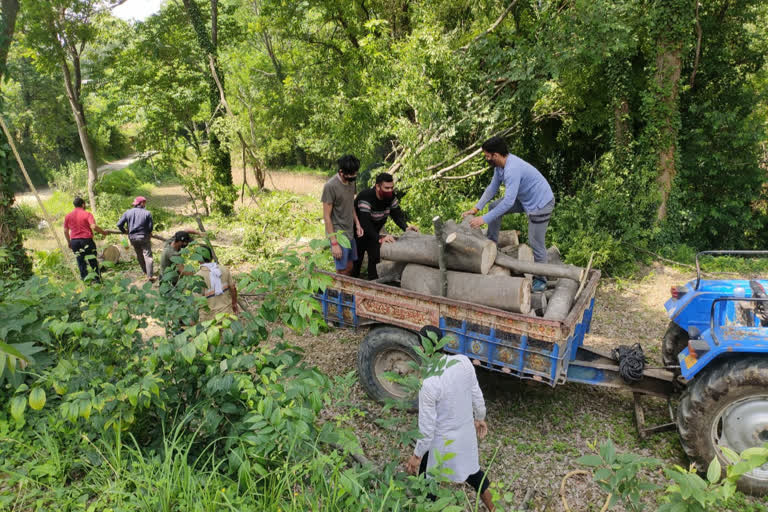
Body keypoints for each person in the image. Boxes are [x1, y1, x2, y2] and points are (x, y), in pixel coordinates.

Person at [462, 136, 555, 292]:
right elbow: (492, 188)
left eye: (487, 156)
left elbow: (508, 203)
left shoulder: (512, 169)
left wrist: (483, 219)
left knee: (536, 242)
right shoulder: (500, 167)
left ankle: (541, 280)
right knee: (493, 207)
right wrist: (476, 208)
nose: (486, 159)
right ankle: (491, 244)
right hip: (526, 200)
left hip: (541, 203)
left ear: (496, 155)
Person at [404, 354, 495, 511]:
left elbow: (427, 427)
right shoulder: (463, 362)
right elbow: (476, 393)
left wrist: (417, 455)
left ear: (421, 349)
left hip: (441, 441)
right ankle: (494, 509)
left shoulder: (428, 381)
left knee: (430, 482)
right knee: (474, 475)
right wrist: (480, 417)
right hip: (465, 435)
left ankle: (428, 507)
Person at [352, 172, 419, 280]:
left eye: (391, 187)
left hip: (374, 234)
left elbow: (397, 214)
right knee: (356, 263)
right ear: (377, 186)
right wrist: (380, 238)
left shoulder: (391, 197)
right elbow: (365, 223)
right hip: (358, 233)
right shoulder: (366, 197)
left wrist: (406, 227)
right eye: (386, 188)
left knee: (374, 263)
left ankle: (372, 289)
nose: (390, 190)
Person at [321, 155, 364, 275]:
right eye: (350, 175)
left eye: (355, 174)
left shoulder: (352, 182)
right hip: (338, 233)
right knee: (342, 269)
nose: (353, 178)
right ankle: (339, 293)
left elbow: (350, 205)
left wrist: (358, 224)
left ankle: (345, 292)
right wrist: (334, 243)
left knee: (350, 267)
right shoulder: (330, 186)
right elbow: (326, 217)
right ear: (341, 172)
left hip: (349, 231)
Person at [63, 196, 108, 282]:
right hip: (86, 240)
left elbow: (65, 231)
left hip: (75, 241)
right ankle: (98, 280)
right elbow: (93, 226)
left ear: (75, 205)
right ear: (83, 204)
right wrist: (103, 232)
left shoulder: (68, 216)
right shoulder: (87, 214)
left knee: (80, 261)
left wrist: (69, 242)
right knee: (92, 260)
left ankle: (85, 281)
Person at [196, 246, 239, 322]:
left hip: (209, 319)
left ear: (198, 259)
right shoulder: (223, 269)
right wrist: (234, 303)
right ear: (211, 257)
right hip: (227, 314)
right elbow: (233, 288)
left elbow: (197, 301)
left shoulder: (198, 277)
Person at [117, 196, 155, 281]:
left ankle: (145, 272)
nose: (145, 204)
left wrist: (125, 231)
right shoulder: (147, 213)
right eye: (144, 203)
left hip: (133, 238)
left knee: (139, 255)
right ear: (141, 203)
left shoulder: (128, 212)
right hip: (144, 237)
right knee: (147, 255)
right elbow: (150, 227)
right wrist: (149, 233)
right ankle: (150, 276)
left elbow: (119, 224)